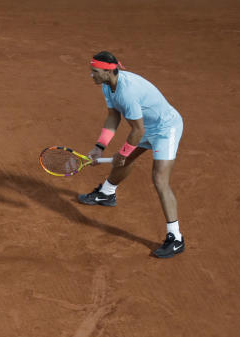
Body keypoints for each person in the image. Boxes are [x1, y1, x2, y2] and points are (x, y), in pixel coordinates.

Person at [78, 51, 186, 258]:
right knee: (124, 159)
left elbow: (138, 131)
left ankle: (176, 238)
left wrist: (123, 152)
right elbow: (113, 116)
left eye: (95, 72)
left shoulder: (127, 92)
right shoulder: (107, 85)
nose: (91, 75)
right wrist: (99, 147)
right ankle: (107, 193)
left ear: (109, 71)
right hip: (146, 126)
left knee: (159, 179)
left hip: (165, 128)